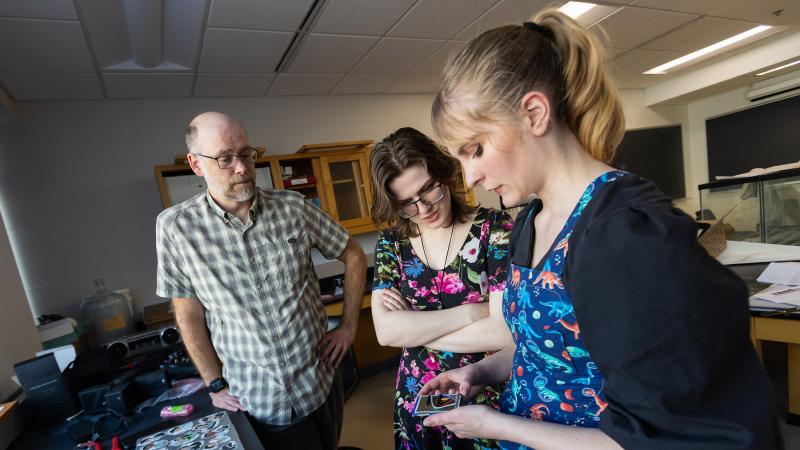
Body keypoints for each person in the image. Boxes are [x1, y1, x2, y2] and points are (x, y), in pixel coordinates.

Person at [419, 9, 784, 450]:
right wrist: (479, 372)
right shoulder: (531, 222)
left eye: (475, 149)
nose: (470, 177)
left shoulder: (626, 235)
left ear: (534, 114)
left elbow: (657, 439)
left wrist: (493, 426)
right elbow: (552, 346)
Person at [156, 112, 367, 450]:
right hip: (257, 401)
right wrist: (213, 384)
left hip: (321, 382)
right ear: (196, 165)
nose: (241, 167)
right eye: (225, 158)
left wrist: (348, 326)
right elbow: (188, 315)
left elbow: (354, 254)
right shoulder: (176, 228)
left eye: (246, 154)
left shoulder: (293, 207)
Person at [369, 127, 514, 450]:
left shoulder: (495, 229)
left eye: (429, 190)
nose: (424, 209)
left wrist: (414, 330)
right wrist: (472, 312)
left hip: (484, 397)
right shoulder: (391, 245)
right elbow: (386, 334)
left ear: (443, 173)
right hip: (418, 399)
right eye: (407, 203)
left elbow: (505, 331)